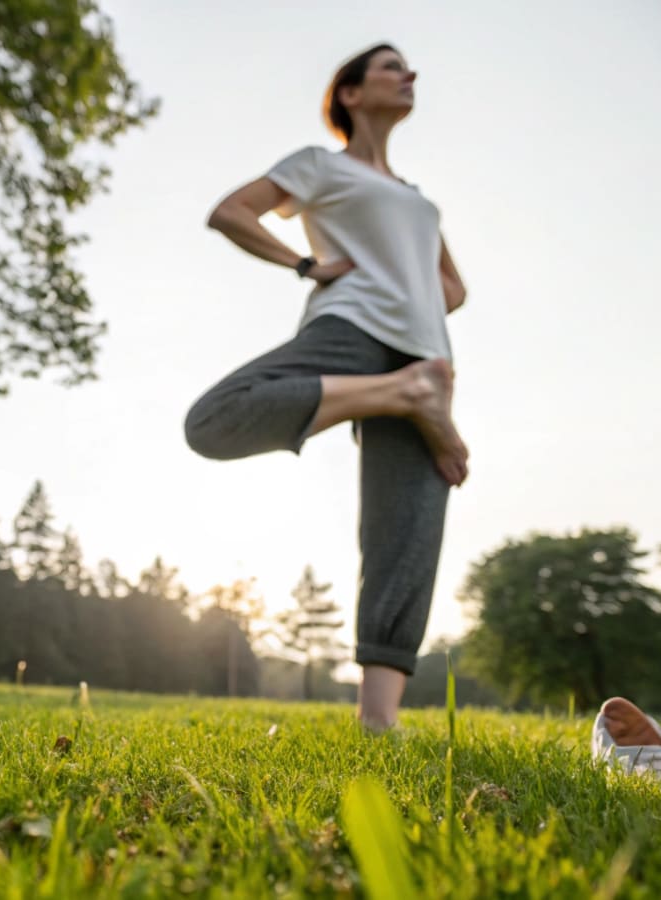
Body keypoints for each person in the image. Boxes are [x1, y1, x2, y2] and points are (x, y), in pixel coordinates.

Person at [183, 43, 468, 731]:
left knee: (406, 534)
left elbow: (453, 288)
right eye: (391, 67)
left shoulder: (417, 201)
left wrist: (416, 303)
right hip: (351, 329)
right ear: (349, 93)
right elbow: (231, 212)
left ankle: (379, 723)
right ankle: (405, 395)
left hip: (426, 354)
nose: (410, 75)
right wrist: (306, 262)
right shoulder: (319, 166)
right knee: (217, 420)